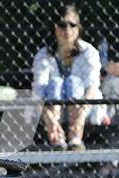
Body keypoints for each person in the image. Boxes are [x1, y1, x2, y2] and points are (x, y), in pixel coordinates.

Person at [32, 4, 102, 151]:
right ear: (55, 28)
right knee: (56, 82)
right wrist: (49, 119)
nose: (67, 30)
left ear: (79, 27)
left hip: (83, 106)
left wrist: (80, 117)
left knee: (72, 82)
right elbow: (38, 92)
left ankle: (76, 136)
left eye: (72, 24)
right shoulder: (43, 54)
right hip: (52, 108)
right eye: (62, 25)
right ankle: (57, 137)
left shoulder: (89, 52)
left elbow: (91, 87)